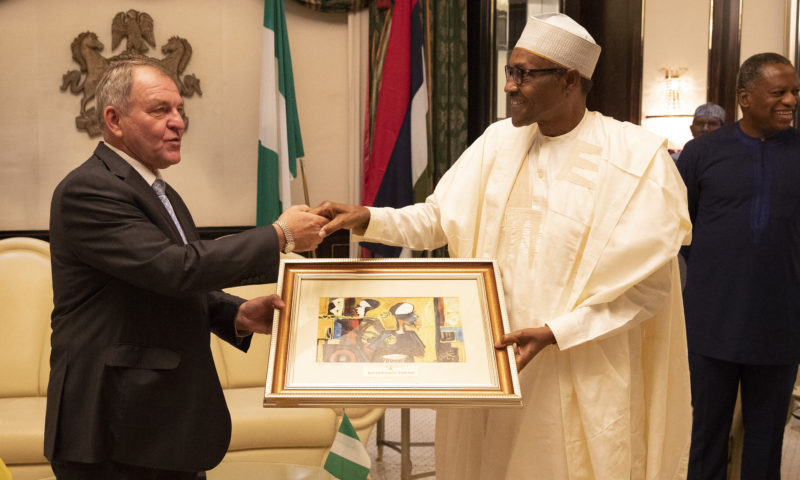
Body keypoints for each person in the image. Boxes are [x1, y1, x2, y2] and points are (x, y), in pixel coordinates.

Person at [313, 13, 692, 479]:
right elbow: (437, 218)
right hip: (493, 358)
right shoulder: (498, 141)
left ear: (570, 79)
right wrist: (367, 218)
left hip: (578, 366)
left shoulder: (636, 159)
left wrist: (555, 332)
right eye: (510, 72)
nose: (509, 86)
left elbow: (646, 290)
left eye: (524, 74)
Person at [44, 58, 328, 479]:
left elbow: (156, 281)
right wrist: (279, 235)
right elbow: (173, 268)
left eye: (180, 110)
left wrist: (234, 314)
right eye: (160, 110)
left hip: (158, 423)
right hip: (113, 424)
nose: (178, 122)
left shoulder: (158, 189)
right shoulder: (88, 189)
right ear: (114, 119)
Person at [677, 52, 800, 480]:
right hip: (712, 323)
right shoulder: (701, 153)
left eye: (795, 92)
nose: (790, 101)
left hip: (781, 325)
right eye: (779, 92)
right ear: (745, 97)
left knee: (766, 442)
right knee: (706, 437)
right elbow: (681, 231)